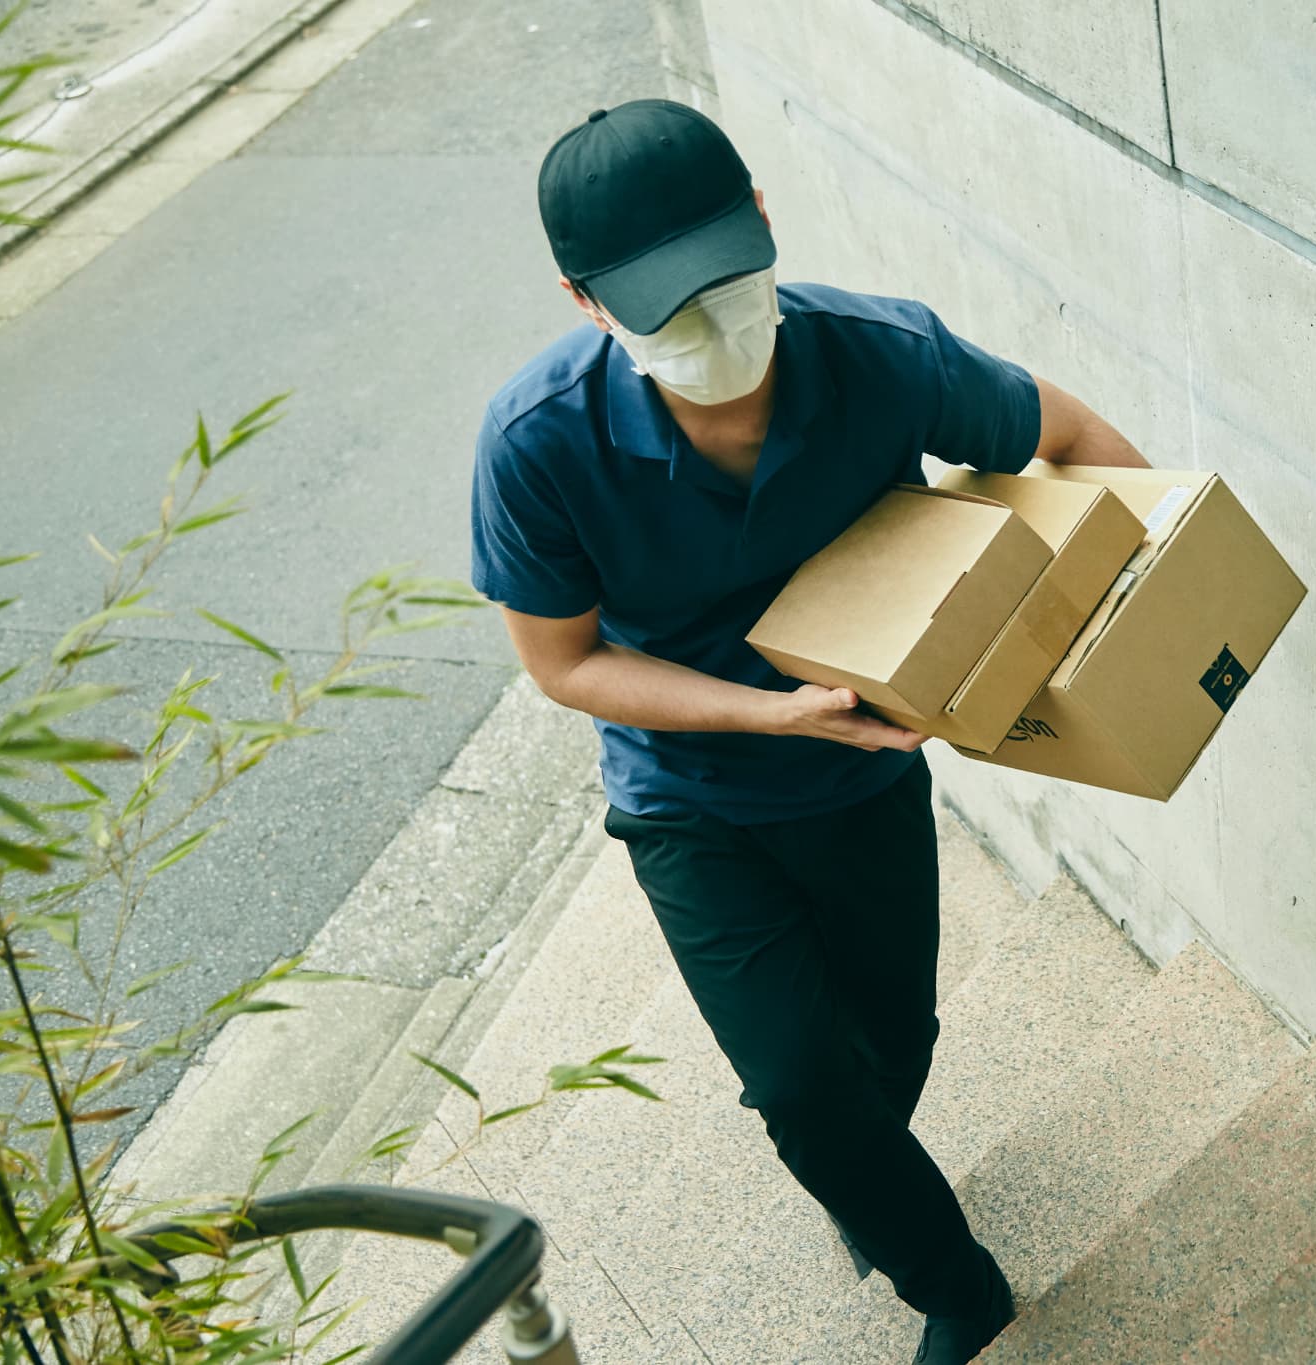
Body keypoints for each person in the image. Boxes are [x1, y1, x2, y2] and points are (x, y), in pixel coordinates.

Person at [467, 98, 1148, 1364]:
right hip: (691, 797)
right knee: (794, 1083)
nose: (711, 324)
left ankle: (863, 1171)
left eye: (727, 278)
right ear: (586, 301)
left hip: (866, 780)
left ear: (765, 223)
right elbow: (563, 662)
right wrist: (771, 713)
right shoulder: (536, 446)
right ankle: (953, 1284)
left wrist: (1123, 635)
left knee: (894, 1039)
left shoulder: (879, 353)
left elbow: (1070, 441)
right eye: (663, 304)